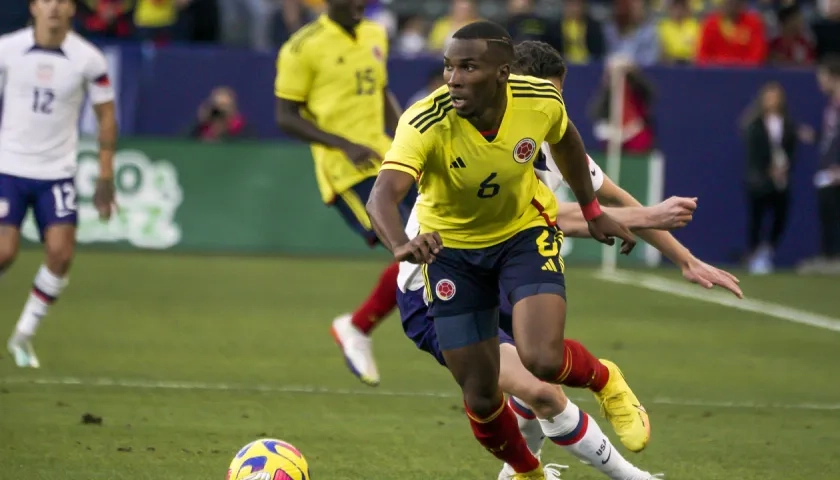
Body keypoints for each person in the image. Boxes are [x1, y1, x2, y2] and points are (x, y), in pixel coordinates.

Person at [397, 40, 741, 480]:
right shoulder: (464, 133)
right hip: (434, 290)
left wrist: (685, 259)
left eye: (558, 96)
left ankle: (534, 472)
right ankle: (604, 471)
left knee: (540, 381)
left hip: (496, 277)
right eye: (544, 94)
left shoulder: (550, 136)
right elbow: (559, 216)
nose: (551, 106)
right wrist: (645, 215)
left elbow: (609, 197)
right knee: (526, 392)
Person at [367, 21, 643, 479]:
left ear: (503, 73)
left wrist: (593, 211)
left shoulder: (539, 101)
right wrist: (400, 243)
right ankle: (528, 474)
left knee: (543, 363)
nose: (453, 78)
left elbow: (568, 141)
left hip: (520, 238)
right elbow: (382, 194)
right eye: (449, 67)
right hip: (448, 260)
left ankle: (605, 380)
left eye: (468, 67)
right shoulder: (425, 121)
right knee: (481, 395)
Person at [274, 0, 410, 387]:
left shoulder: (375, 32)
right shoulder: (302, 47)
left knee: (438, 245)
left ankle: (357, 327)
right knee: (418, 249)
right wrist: (341, 145)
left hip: (390, 158)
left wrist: (407, 138)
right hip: (347, 173)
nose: (358, 5)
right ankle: (358, 327)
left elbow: (381, 93)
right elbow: (286, 115)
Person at [0, 0, 118, 368]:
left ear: (72, 10)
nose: (53, 8)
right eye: (46, 0)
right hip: (9, 168)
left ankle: (23, 335)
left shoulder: (88, 59)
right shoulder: (7, 49)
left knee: (61, 254)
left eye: (62, 1)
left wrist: (105, 173)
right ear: (34, 7)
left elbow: (106, 117)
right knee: (4, 252)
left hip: (57, 172)